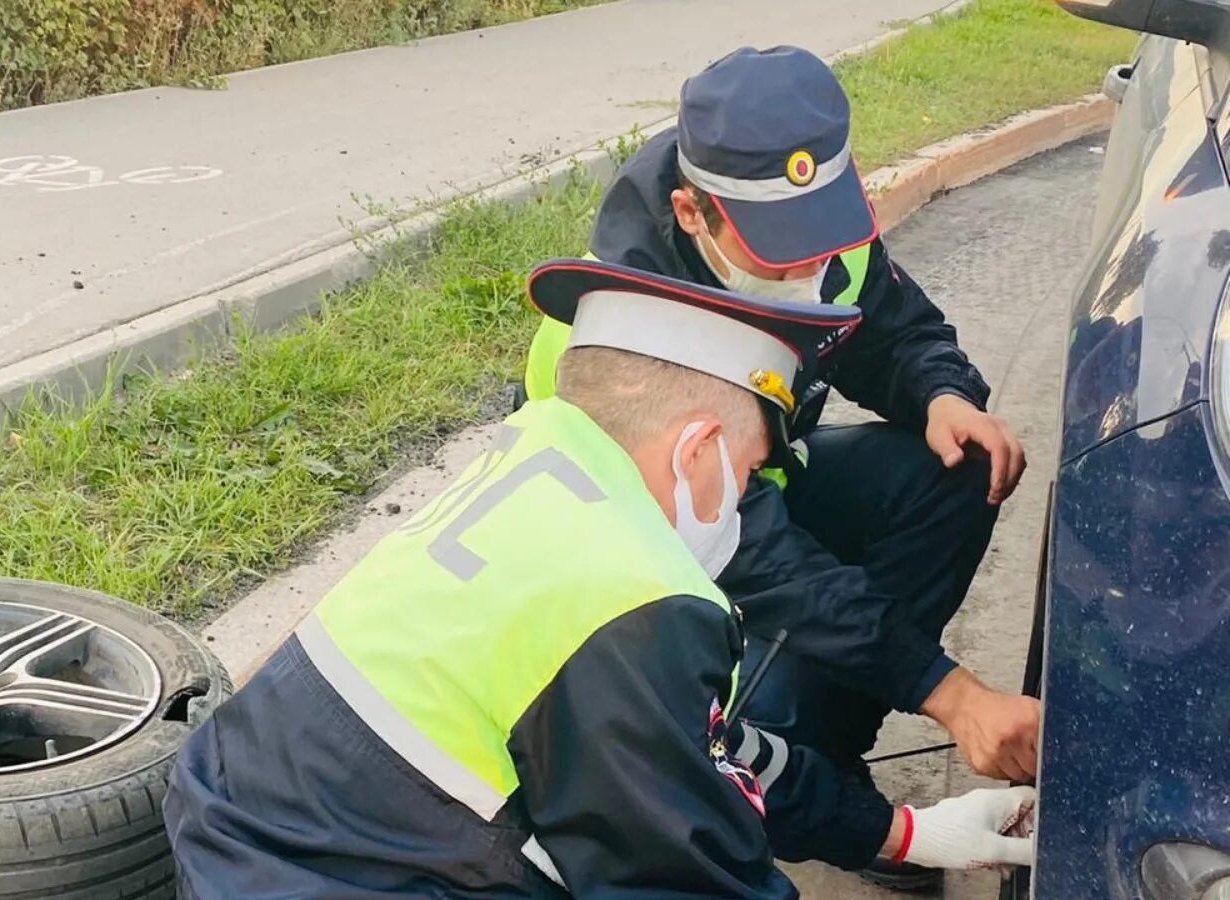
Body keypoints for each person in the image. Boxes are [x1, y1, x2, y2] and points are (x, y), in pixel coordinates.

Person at [163, 257, 1036, 899]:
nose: (742, 502)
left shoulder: (541, 458)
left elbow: (707, 755)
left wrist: (909, 833)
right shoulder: (639, 596)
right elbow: (686, 878)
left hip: (253, 827)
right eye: (747, 467)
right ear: (697, 448)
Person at [518, 46, 1037, 888]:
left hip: (766, 489)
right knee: (754, 728)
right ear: (692, 215)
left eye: (820, 237)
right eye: (779, 252)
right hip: (664, 567)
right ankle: (799, 792)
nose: (809, 273)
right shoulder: (625, 343)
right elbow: (754, 556)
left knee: (956, 466)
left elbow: (901, 332)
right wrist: (949, 693)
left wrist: (944, 394)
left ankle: (834, 771)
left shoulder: (825, 245)